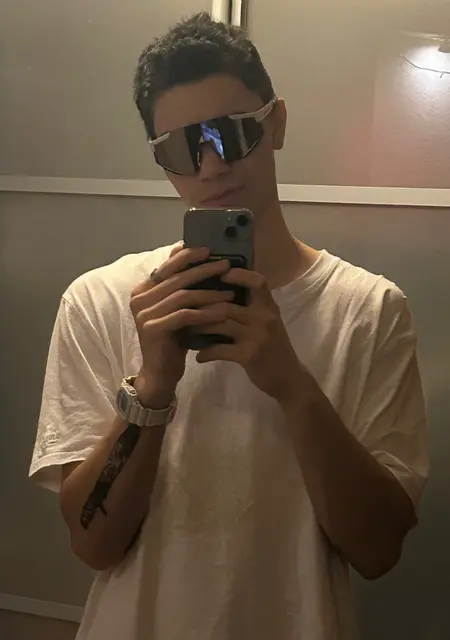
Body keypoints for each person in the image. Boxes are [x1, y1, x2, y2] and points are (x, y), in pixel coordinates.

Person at [29, 12, 429, 640]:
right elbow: (93, 544)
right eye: (181, 148)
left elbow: (377, 551)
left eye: (231, 132)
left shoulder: (369, 311)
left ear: (276, 124)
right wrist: (152, 386)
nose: (211, 166)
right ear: (161, 161)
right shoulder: (101, 302)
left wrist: (291, 385)